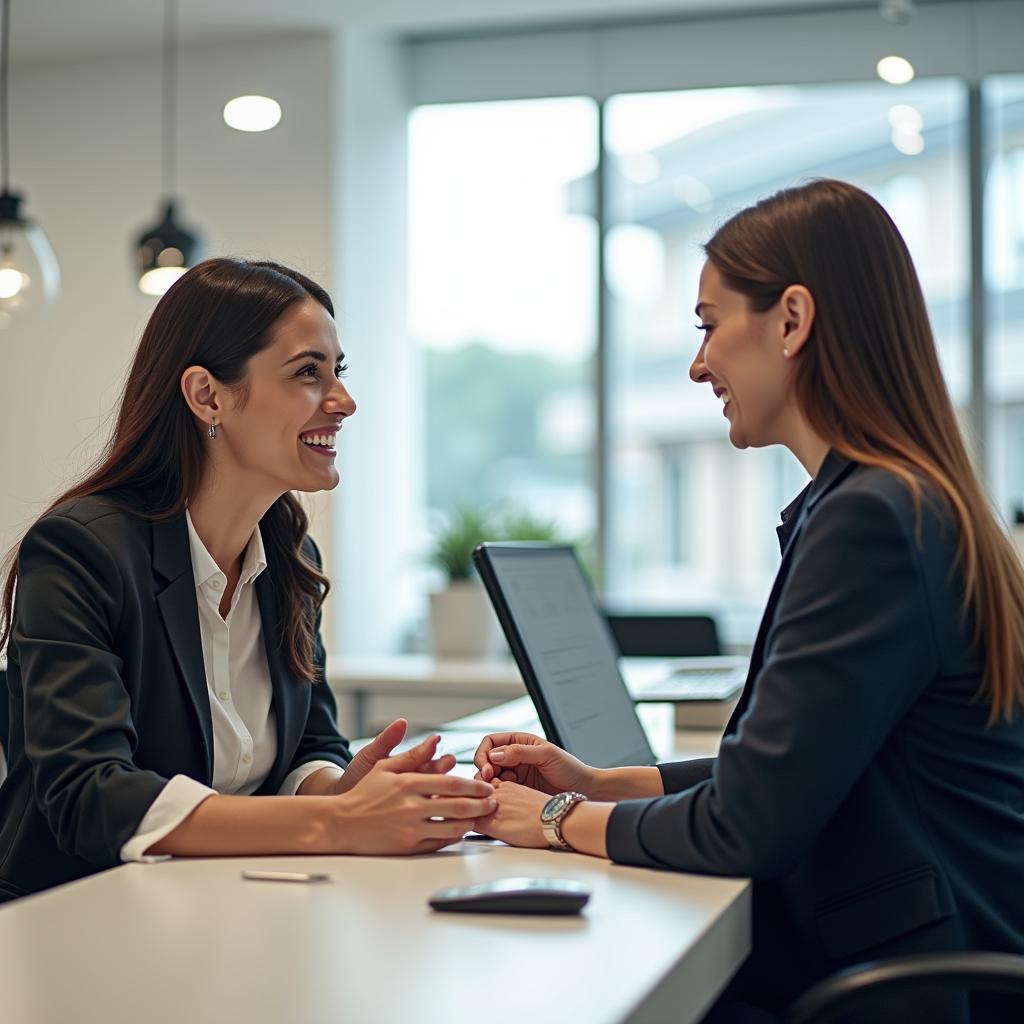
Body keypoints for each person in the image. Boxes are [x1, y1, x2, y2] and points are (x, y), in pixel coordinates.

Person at [470, 180, 1024, 1023]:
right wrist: (609, 783)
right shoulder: (897, 499)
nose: (698, 364)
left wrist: (553, 817)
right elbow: (804, 765)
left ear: (792, 321)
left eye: (708, 324)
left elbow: (750, 827)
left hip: (904, 981)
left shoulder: (870, 521)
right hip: (922, 945)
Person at [0, 258, 495, 903]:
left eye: (336, 372)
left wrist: (342, 789)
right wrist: (338, 821)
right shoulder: (81, 551)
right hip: (74, 920)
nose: (343, 402)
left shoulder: (288, 554)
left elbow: (309, 745)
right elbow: (91, 796)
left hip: (226, 907)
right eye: (307, 373)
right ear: (207, 395)